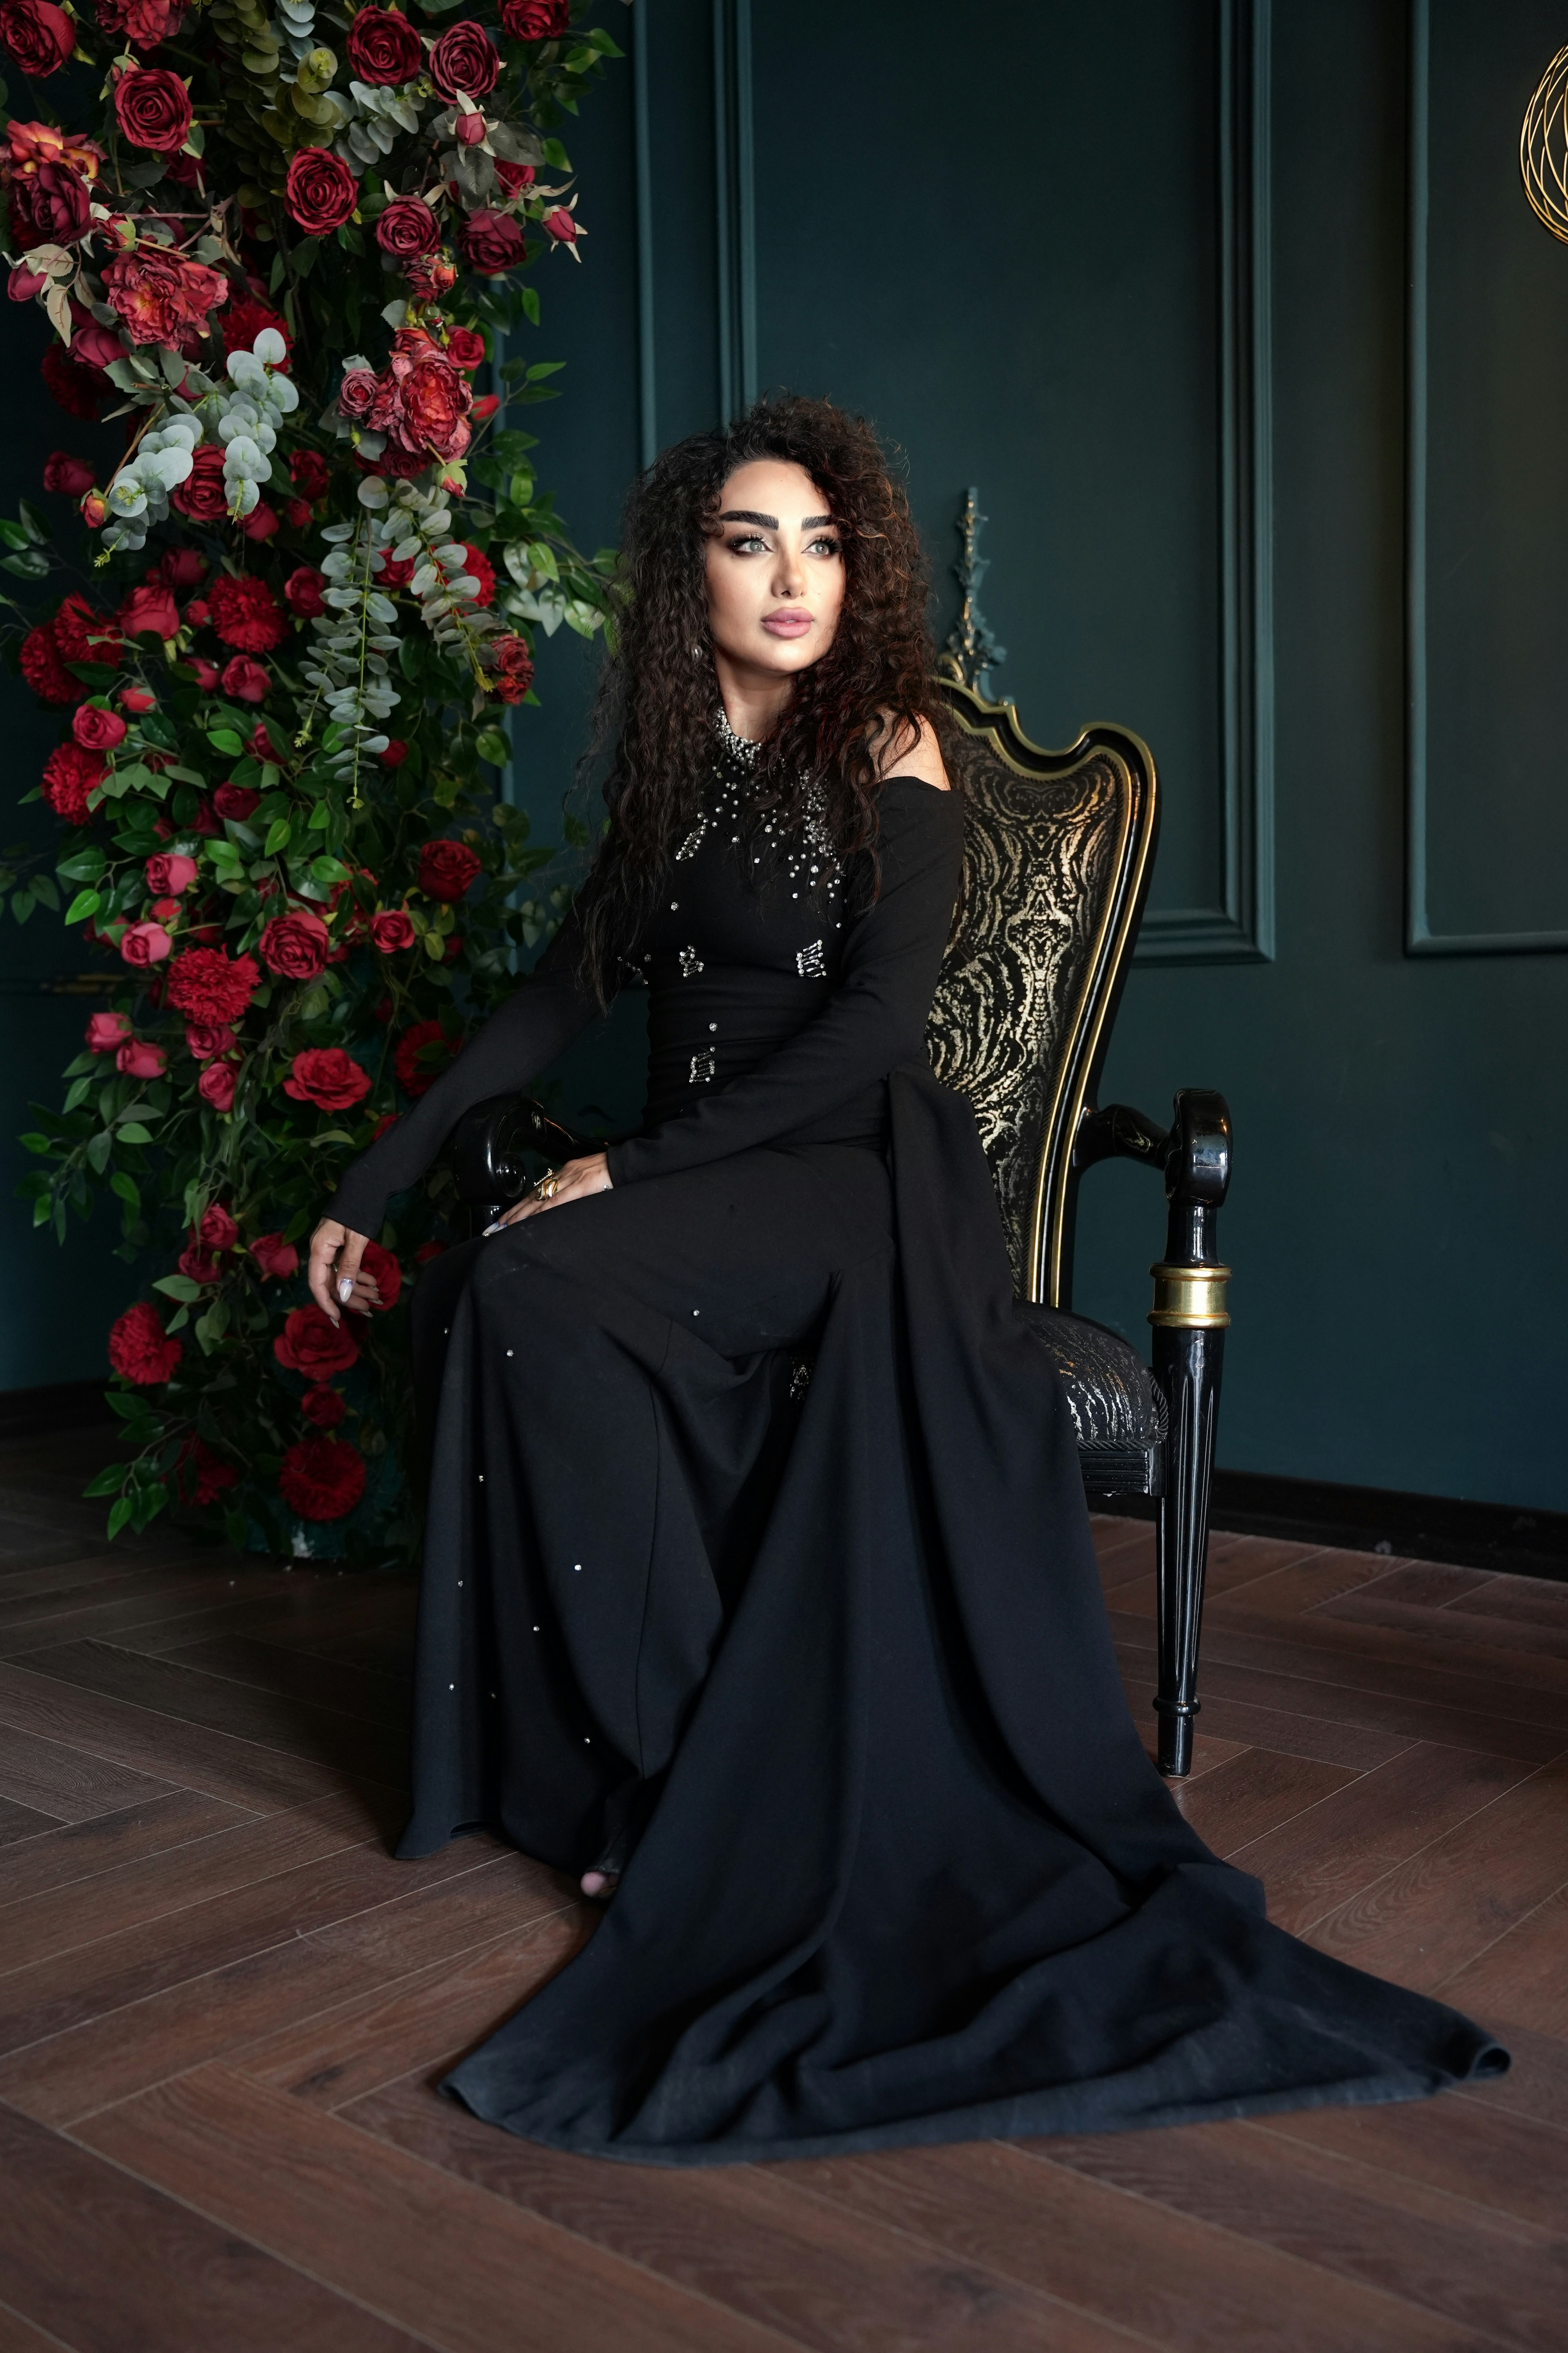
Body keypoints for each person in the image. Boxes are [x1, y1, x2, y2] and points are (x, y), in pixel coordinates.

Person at [308, 395, 1503, 2165]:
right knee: (497, 1281)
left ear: (854, 568)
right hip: (722, 1186)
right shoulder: (666, 772)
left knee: (549, 1275)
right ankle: (665, 1760)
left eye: (820, 541)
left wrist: (617, 1168)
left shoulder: (889, 739)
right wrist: (375, 1177)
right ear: (685, 574)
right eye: (746, 540)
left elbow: (875, 1033)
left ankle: (685, 1781)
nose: (790, 577)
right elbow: (553, 1003)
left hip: (861, 1176)